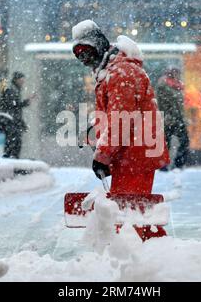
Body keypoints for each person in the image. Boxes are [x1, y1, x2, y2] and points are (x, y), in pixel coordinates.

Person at [72, 20, 170, 241]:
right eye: (79, 56)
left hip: (135, 155)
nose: (85, 60)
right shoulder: (114, 71)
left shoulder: (121, 73)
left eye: (87, 52)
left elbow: (121, 121)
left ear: (98, 45)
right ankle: (160, 255)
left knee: (128, 219)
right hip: (131, 154)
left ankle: (143, 260)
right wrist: (100, 143)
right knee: (134, 213)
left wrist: (104, 155)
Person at [156, 66, 190, 170]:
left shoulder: (177, 86)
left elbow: (179, 104)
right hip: (168, 118)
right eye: (176, 73)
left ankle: (178, 164)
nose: (178, 76)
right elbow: (163, 103)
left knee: (183, 141)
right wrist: (167, 116)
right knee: (166, 143)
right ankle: (163, 165)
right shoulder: (163, 85)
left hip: (178, 118)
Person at [0, 72, 31, 159]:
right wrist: (25, 102)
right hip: (10, 122)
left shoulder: (14, 89)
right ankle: (11, 163)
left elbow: (15, 107)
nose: (23, 82)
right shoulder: (11, 90)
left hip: (12, 122)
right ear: (16, 80)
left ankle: (12, 162)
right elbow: (13, 106)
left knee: (14, 144)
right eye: (21, 80)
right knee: (12, 144)